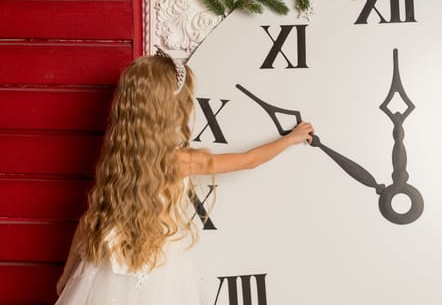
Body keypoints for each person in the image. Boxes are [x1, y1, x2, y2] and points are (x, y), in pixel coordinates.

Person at [55, 48, 314, 304]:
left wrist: (68, 271)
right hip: (160, 271)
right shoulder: (180, 161)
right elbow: (249, 160)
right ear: (172, 109)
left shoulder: (118, 159)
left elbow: (91, 219)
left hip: (107, 266)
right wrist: (291, 139)